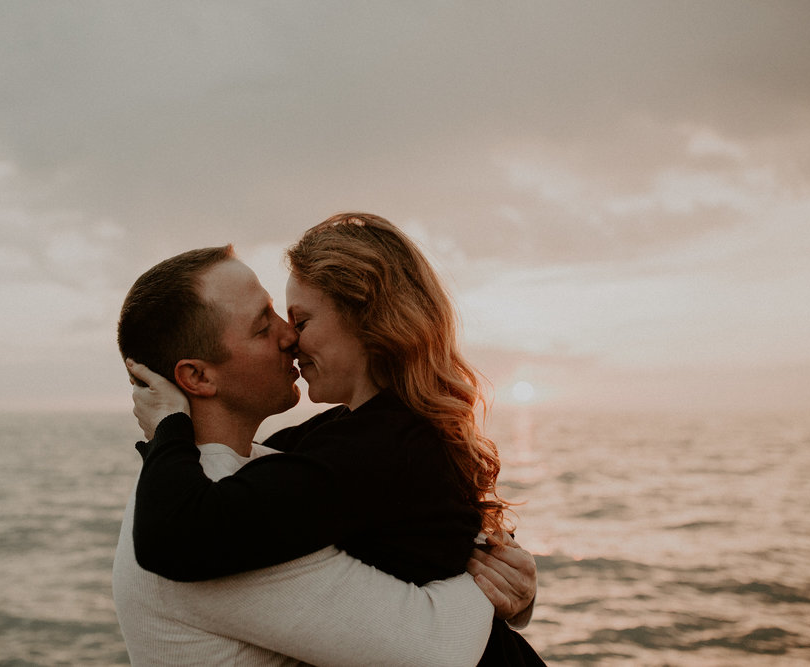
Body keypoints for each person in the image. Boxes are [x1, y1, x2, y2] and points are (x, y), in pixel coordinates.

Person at [126, 213, 544, 665]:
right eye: (269, 324)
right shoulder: (361, 435)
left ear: (367, 321)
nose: (289, 337)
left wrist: (169, 427)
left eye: (299, 320)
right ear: (197, 376)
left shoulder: (377, 447)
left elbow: (179, 532)